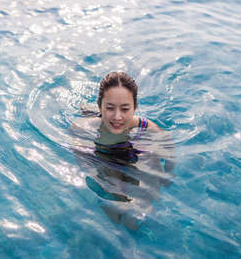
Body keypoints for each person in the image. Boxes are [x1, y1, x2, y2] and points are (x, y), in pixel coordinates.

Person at [70, 71, 174, 231]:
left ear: (135, 108)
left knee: (142, 206)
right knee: (115, 210)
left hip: (131, 154)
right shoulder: (84, 128)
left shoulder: (144, 127)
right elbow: (84, 162)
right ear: (101, 106)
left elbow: (168, 145)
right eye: (110, 108)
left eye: (125, 109)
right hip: (103, 156)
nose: (118, 117)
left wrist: (168, 173)